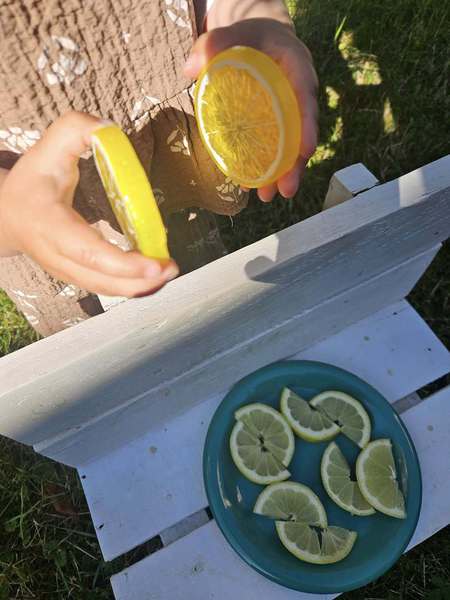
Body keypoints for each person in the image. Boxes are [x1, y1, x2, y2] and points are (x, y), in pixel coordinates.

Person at [0, 0, 318, 337]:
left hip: (169, 152)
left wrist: (251, 14)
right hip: (31, 213)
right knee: (101, 346)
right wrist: (14, 217)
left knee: (197, 283)